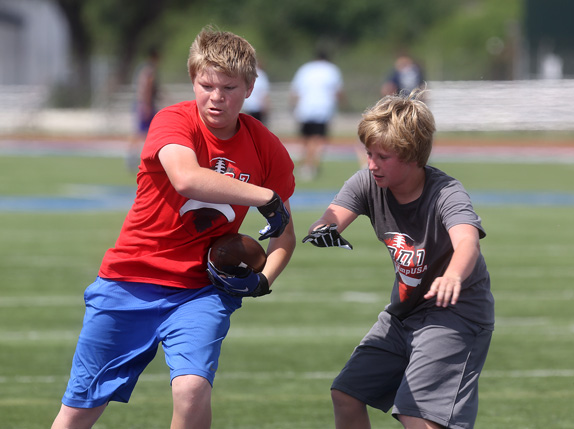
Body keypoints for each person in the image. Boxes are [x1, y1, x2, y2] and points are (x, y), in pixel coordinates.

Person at [51, 26, 296, 429]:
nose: (216, 97)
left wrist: (264, 279)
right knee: (79, 408)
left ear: (251, 88)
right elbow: (187, 178)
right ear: (192, 81)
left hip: (200, 290)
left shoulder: (266, 147)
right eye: (206, 85)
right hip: (129, 280)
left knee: (191, 389)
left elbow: (284, 235)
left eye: (229, 87)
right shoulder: (172, 121)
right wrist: (264, 197)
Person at [303, 90, 494, 429]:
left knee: (415, 415)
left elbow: (467, 242)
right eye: (368, 153)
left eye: (382, 156)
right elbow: (331, 217)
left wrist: (452, 275)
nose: (371, 164)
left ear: (412, 156)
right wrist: (322, 230)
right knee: (346, 394)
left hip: (455, 313)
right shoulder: (367, 182)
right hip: (405, 313)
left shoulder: (446, 193)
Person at [290, 49, 344, 181]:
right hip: (323, 108)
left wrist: (293, 107)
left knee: (305, 139)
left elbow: (295, 91)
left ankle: (304, 164)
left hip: (304, 108)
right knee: (318, 139)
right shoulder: (332, 70)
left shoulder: (305, 69)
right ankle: (311, 166)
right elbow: (338, 92)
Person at [127, 46, 161, 172]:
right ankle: (133, 158)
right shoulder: (149, 70)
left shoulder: (145, 69)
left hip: (144, 104)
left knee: (144, 132)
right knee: (142, 132)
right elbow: (145, 88)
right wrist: (145, 105)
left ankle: (136, 157)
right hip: (145, 105)